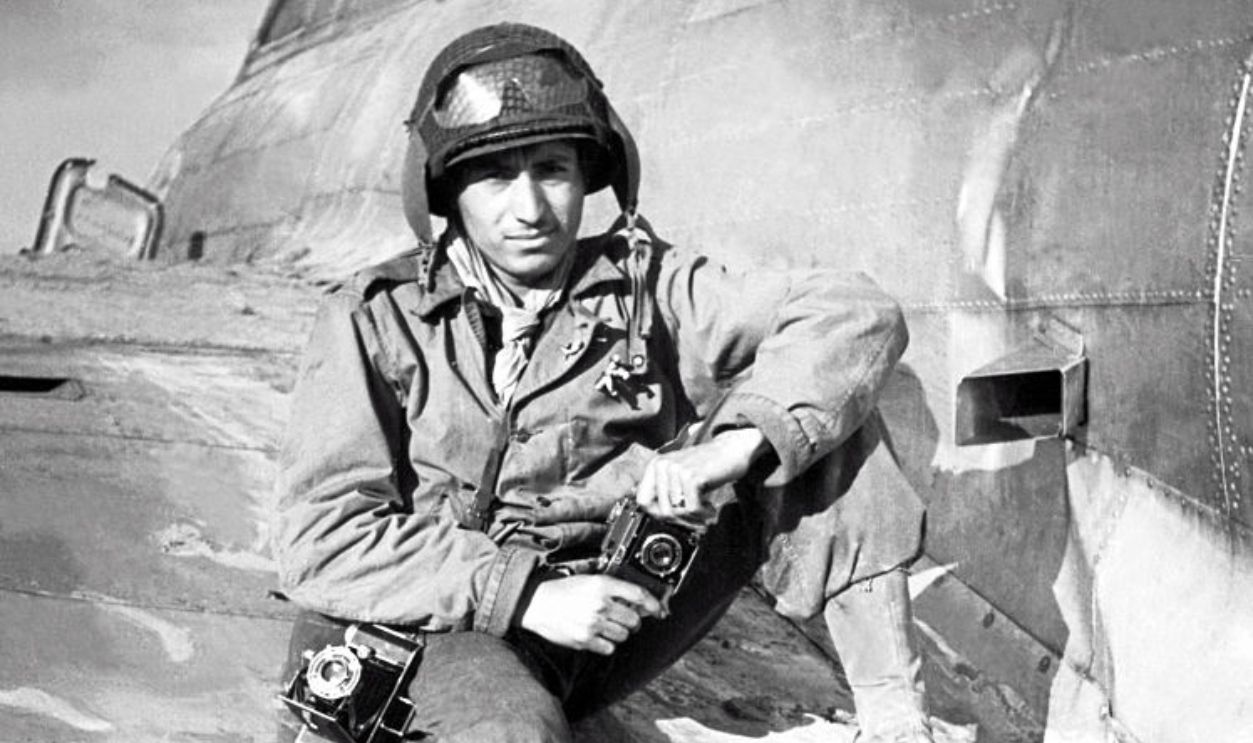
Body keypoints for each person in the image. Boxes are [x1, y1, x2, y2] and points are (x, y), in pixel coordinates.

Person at [272, 22, 931, 743]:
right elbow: (322, 538)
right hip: (449, 623)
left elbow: (852, 310)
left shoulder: (643, 285)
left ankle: (896, 718)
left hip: (612, 610)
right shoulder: (374, 319)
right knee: (510, 733)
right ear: (447, 189)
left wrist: (734, 446)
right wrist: (523, 594)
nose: (528, 209)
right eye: (494, 176)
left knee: (823, 416)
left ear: (588, 177)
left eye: (551, 169)